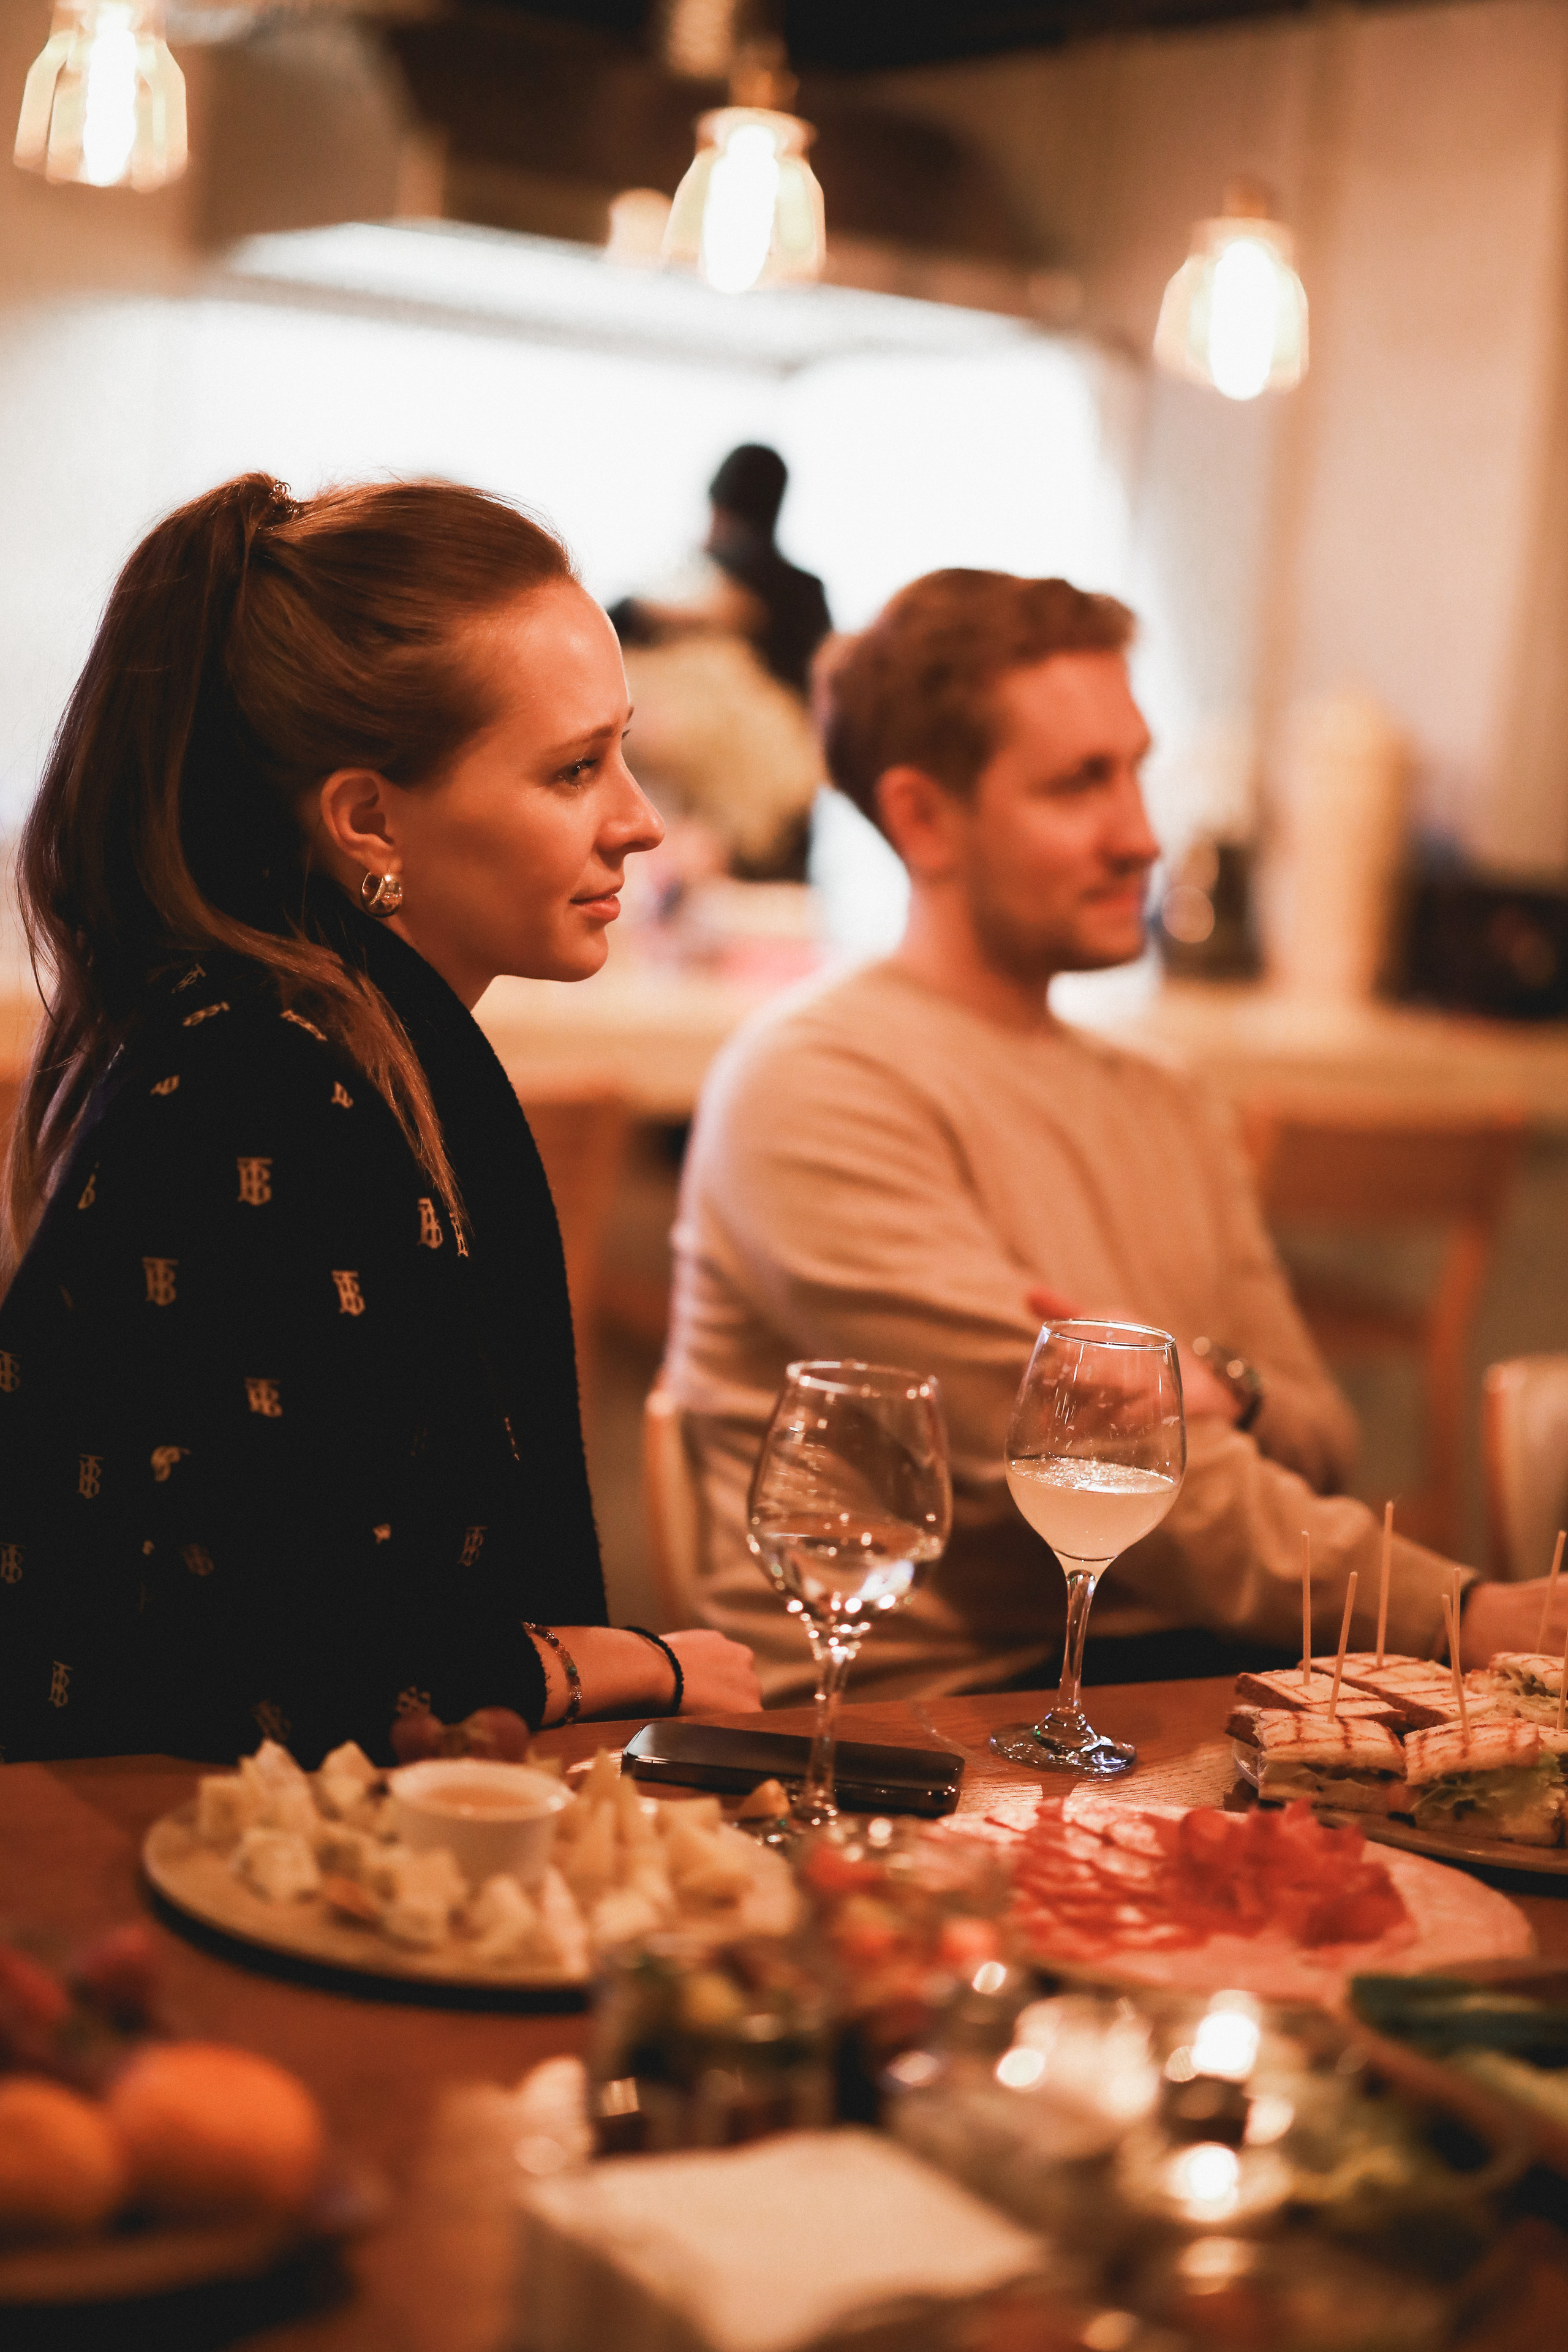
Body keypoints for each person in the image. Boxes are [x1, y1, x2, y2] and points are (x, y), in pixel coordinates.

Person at [663, 567, 1568, 1703]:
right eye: (1079, 784)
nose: (1141, 837)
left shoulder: (1167, 1095)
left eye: (1136, 770)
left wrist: (1221, 1386)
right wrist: (1462, 1611)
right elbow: (1088, 1477)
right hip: (926, 1720)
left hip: (1179, 1684)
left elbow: (1326, 1430)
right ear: (922, 818)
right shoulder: (817, 1083)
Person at [0, 473, 761, 1765]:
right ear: (366, 819)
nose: (637, 821)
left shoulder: (316, 1039)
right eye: (574, 770)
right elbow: (298, 1664)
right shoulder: (267, 1090)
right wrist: (633, 1663)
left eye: (621, 750)